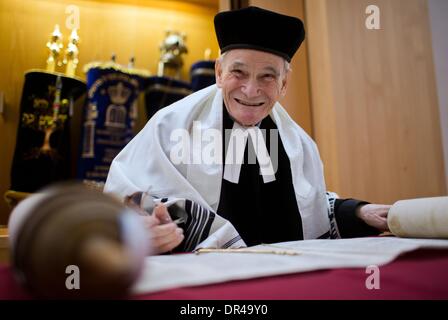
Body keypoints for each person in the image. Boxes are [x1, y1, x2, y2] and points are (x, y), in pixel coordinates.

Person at [104, 6, 390, 254]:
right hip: (205, 282)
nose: (251, 90)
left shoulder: (298, 144)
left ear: (284, 84)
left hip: (285, 280)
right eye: (237, 73)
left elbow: (309, 207)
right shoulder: (170, 125)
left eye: (267, 76)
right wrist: (141, 229)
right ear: (218, 72)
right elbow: (125, 198)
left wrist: (358, 212)